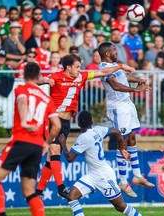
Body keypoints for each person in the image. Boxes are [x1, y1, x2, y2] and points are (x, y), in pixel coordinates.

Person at [36, 54, 136, 199]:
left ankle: (38, 191)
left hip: (65, 122)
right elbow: (38, 80)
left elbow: (102, 72)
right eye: (76, 66)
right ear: (68, 67)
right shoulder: (56, 76)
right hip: (53, 118)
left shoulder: (81, 76)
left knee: (52, 158)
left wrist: (120, 66)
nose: (79, 69)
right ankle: (61, 187)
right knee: (55, 149)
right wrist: (45, 80)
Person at [0, 62, 61, 216]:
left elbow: (22, 102)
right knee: (29, 191)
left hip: (21, 141)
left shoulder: (22, 89)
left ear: (23, 75)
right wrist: (47, 143)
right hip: (37, 147)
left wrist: (23, 121)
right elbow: (57, 125)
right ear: (39, 76)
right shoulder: (47, 99)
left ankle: (1, 214)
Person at [98, 42, 155, 198]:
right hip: (118, 106)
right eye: (113, 50)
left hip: (127, 104)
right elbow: (115, 85)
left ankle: (136, 175)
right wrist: (136, 89)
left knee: (131, 138)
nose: (116, 52)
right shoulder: (104, 67)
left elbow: (123, 78)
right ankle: (123, 181)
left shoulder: (114, 65)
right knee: (122, 141)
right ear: (107, 54)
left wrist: (138, 80)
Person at [60, 110, 142, 216]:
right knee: (72, 196)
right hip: (92, 175)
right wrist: (121, 149)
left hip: (104, 176)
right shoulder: (98, 130)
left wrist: (63, 143)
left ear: (79, 124)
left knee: (120, 206)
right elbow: (117, 132)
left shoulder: (83, 137)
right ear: (92, 121)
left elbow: (69, 158)